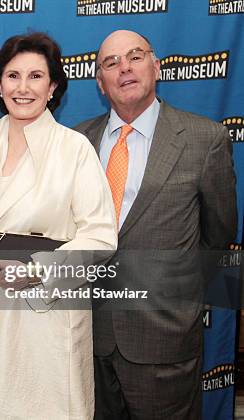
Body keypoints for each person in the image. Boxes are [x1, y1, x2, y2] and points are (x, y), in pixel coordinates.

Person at [0, 32, 118, 419]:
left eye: (36, 76)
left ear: (53, 86)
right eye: (13, 76)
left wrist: (39, 270)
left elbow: (101, 236)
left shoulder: (73, 149)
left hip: (46, 320)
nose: (23, 88)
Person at [75, 30, 237, 420]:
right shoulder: (77, 141)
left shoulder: (204, 138)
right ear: (100, 82)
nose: (124, 68)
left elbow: (219, 235)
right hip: (86, 337)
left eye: (135, 56)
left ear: (156, 66)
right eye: (111, 63)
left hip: (164, 339)